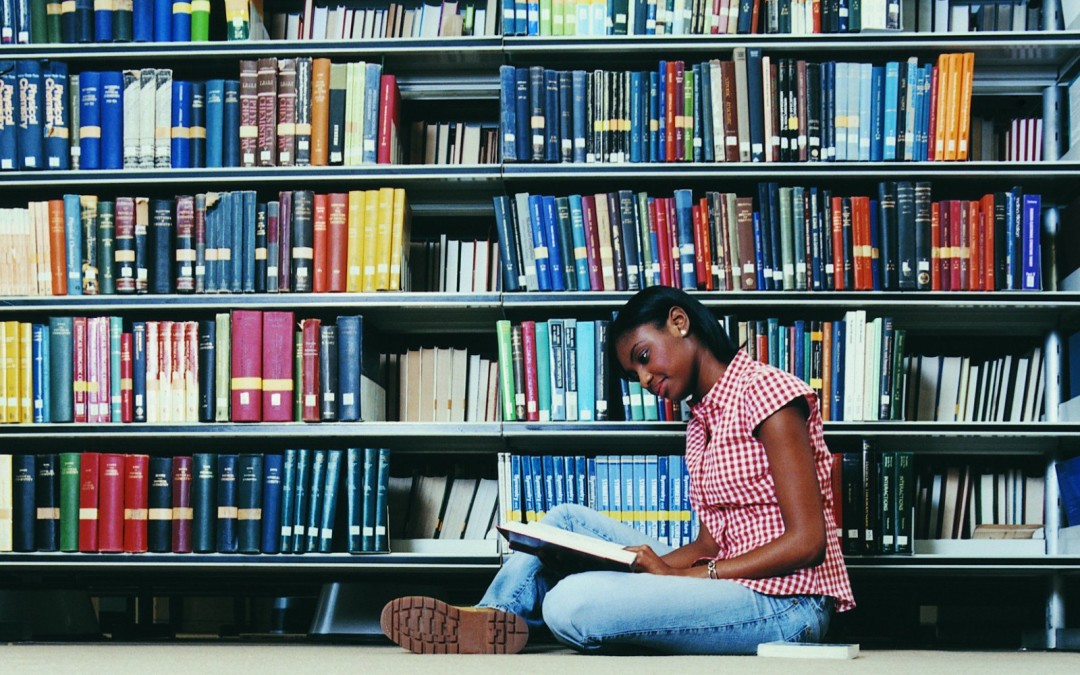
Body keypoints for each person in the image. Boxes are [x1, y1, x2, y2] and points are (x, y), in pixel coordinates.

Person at [380, 285, 854, 655]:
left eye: (644, 358)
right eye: (635, 374)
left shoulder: (766, 391)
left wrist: (686, 577)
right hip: (726, 578)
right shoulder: (700, 423)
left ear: (679, 322)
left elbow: (807, 542)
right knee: (564, 519)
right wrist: (644, 566)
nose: (645, 380)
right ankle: (494, 617)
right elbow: (710, 544)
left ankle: (528, 617)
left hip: (787, 604)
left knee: (570, 602)